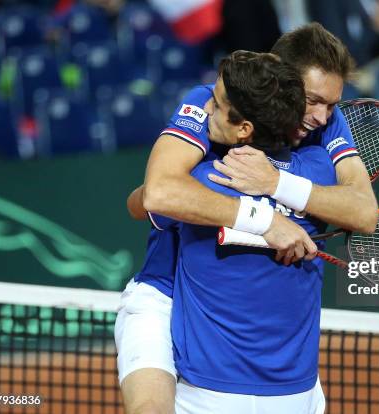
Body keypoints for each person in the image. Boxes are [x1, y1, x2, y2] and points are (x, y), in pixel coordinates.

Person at [117, 23, 378, 414]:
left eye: (331, 104)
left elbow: (364, 212)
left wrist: (276, 183)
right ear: (281, 81)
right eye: (312, 100)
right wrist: (264, 220)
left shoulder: (324, 121)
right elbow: (154, 195)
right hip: (165, 292)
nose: (323, 117)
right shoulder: (214, 104)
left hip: (259, 350)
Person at [150, 50, 333, 413]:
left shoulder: (201, 180)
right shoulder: (320, 170)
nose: (207, 111)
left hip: (208, 398)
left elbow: (146, 200)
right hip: (295, 398)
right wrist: (271, 216)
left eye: (216, 106)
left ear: (244, 129)